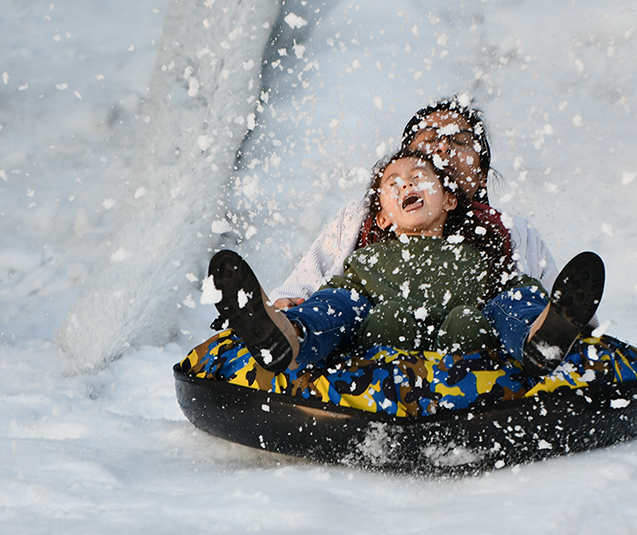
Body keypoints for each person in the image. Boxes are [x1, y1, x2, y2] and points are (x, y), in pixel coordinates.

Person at [207, 149, 605, 380]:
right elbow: (338, 294)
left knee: (511, 295)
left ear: (449, 200)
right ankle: (288, 335)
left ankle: (541, 334)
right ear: (381, 217)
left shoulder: (478, 254)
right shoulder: (367, 259)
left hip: (466, 331)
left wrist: (530, 301)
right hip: (386, 331)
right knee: (340, 304)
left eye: (418, 177)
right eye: (392, 185)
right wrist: (292, 303)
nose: (406, 186)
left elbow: (503, 290)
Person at [268, 96, 560, 310]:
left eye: (459, 141)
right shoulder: (361, 216)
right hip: (371, 344)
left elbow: (559, 303)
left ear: (481, 176)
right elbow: (305, 282)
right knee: (339, 300)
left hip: (478, 349)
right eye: (429, 138)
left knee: (519, 299)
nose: (443, 146)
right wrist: (289, 304)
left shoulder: (513, 231)